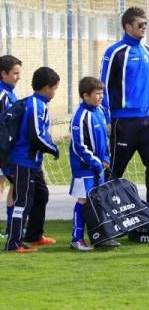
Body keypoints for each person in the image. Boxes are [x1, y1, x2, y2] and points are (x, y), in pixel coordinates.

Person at [100, 6, 149, 206]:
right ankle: (102, 212)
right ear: (128, 26)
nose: (144, 28)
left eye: (146, 24)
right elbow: (102, 85)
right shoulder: (115, 52)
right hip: (123, 122)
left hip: (147, 120)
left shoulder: (148, 51)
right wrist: (107, 119)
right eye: (140, 24)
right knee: (114, 169)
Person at [5, 67, 60, 253]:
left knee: (41, 196)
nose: (55, 92)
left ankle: (34, 236)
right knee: (23, 202)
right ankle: (13, 244)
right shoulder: (36, 104)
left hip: (32, 163)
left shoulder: (38, 103)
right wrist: (53, 149)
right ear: (46, 88)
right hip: (24, 162)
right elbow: (35, 135)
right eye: (54, 88)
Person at [69, 77, 111, 251]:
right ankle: (76, 238)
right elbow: (79, 146)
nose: (100, 97)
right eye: (97, 94)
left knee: (96, 201)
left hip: (99, 167)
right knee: (84, 200)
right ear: (85, 96)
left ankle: (99, 237)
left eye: (101, 93)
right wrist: (96, 163)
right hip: (84, 168)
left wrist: (106, 158)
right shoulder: (80, 117)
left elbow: (105, 139)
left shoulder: (99, 111)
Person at [0, 55, 21, 238]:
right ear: (3, 74)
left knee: (14, 186)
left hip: (8, 149)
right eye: (15, 73)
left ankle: (10, 229)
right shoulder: (2, 95)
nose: (18, 77)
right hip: (3, 149)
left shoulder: (10, 93)